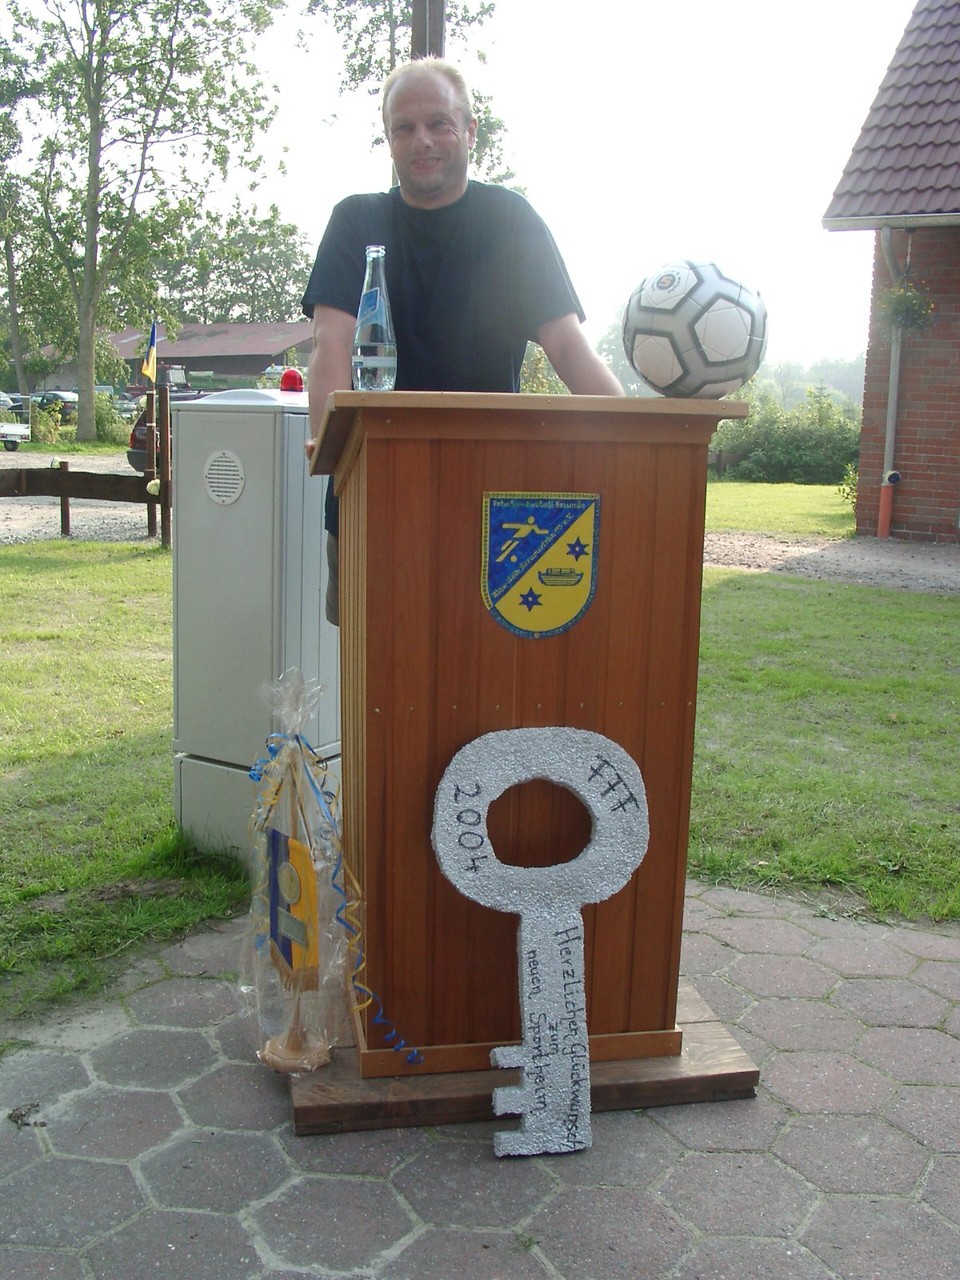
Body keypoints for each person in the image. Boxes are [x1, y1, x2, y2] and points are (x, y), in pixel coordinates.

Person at [302, 57, 624, 623]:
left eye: (439, 123)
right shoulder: (356, 222)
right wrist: (331, 452)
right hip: (372, 495)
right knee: (374, 680)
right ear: (389, 139)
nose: (422, 140)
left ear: (470, 131)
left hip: (497, 510)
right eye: (404, 127)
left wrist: (639, 441)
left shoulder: (511, 220)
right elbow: (331, 345)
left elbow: (569, 348)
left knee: (485, 680)